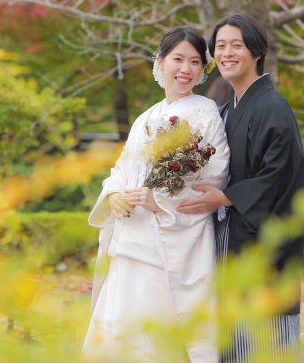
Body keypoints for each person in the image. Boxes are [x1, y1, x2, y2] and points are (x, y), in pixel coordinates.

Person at [83, 27, 231, 363]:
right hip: (131, 237)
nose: (186, 69)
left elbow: (215, 174)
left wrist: (161, 201)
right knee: (119, 330)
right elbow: (121, 167)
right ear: (160, 62)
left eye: (195, 62)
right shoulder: (146, 117)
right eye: (177, 59)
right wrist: (116, 195)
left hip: (170, 240)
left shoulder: (205, 112)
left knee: (155, 336)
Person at [177, 14, 304, 362]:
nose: (227, 53)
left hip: (265, 246)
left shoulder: (272, 107)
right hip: (231, 238)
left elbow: (278, 176)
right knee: (232, 344)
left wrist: (226, 197)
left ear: (257, 51)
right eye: (220, 46)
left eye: (237, 45)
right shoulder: (226, 110)